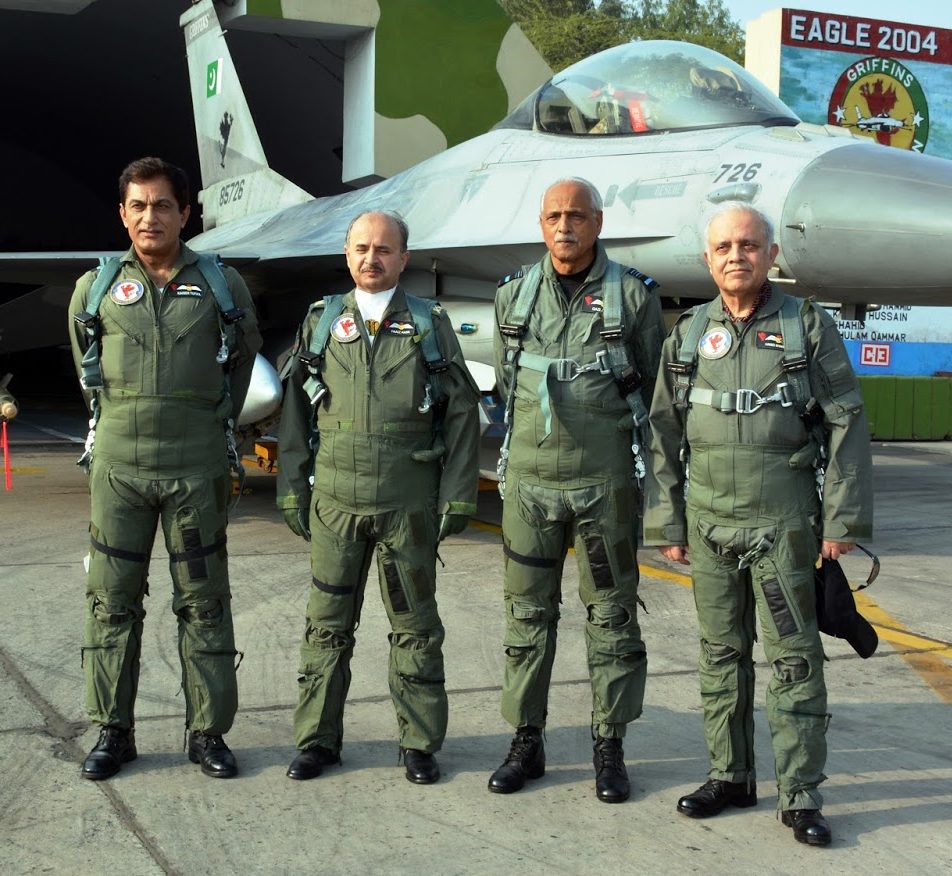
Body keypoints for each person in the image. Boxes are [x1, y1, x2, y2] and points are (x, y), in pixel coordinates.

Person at [644, 203, 873, 846]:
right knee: (721, 655)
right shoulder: (689, 333)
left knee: (794, 659)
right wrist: (668, 519)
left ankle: (800, 795)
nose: (735, 256)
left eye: (749, 245)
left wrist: (841, 519)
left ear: (772, 255)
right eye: (723, 247)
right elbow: (662, 428)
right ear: (708, 258)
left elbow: (847, 420)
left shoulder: (806, 326)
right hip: (710, 525)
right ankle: (731, 775)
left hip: (783, 523)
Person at [68, 157, 262, 780]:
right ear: (123, 214)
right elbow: (87, 365)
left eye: (162, 205)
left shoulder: (223, 285)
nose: (150, 216)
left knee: (204, 601)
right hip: (119, 471)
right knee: (111, 602)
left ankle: (208, 733)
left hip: (195, 469)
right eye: (139, 205)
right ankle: (113, 732)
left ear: (185, 214)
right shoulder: (95, 287)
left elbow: (241, 362)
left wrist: (204, 423)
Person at [277, 211, 479, 785]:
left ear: (403, 258)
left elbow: (462, 412)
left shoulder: (429, 324)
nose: (372, 258)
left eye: (384, 249)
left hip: (405, 503)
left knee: (415, 626)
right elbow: (295, 414)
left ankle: (419, 744)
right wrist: (291, 487)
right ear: (347, 255)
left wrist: (457, 494)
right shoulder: (321, 322)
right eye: (362, 248)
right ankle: (317, 742)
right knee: (326, 626)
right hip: (335, 503)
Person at [489, 178, 665, 803]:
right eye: (554, 216)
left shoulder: (633, 297)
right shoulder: (513, 296)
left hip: (602, 488)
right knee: (526, 616)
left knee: (611, 615)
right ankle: (526, 741)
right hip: (530, 490)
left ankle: (609, 745)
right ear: (542, 224)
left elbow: (655, 395)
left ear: (598, 222)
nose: (565, 227)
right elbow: (507, 385)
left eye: (577, 216)